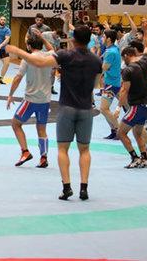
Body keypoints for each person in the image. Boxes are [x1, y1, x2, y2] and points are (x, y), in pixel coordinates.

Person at [7, 25, 102, 201]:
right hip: (85, 109)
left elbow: (38, 62)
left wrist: (17, 51)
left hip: (66, 108)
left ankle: (67, 187)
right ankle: (84, 188)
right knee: (84, 150)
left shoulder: (65, 56)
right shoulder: (96, 61)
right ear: (90, 39)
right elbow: (96, 85)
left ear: (72, 39)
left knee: (63, 149)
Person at [6, 35, 54, 168]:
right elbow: (51, 48)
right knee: (42, 129)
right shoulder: (49, 56)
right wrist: (42, 37)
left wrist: (10, 95)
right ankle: (44, 157)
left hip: (30, 100)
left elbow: (18, 78)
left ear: (28, 46)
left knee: (15, 124)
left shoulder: (27, 59)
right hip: (45, 100)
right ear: (42, 45)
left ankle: (25, 152)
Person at [117, 46, 147, 169]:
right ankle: (145, 159)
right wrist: (146, 35)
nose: (124, 61)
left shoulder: (127, 70)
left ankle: (135, 158)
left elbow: (124, 90)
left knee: (121, 133)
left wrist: (118, 108)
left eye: (123, 59)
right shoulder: (146, 62)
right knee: (137, 133)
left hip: (136, 106)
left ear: (126, 55)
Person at [99, 30, 122, 140]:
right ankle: (114, 131)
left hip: (111, 84)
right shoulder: (114, 48)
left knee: (104, 109)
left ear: (108, 39)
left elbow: (104, 68)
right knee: (104, 109)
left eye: (103, 36)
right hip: (113, 82)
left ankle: (119, 131)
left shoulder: (110, 52)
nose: (102, 38)